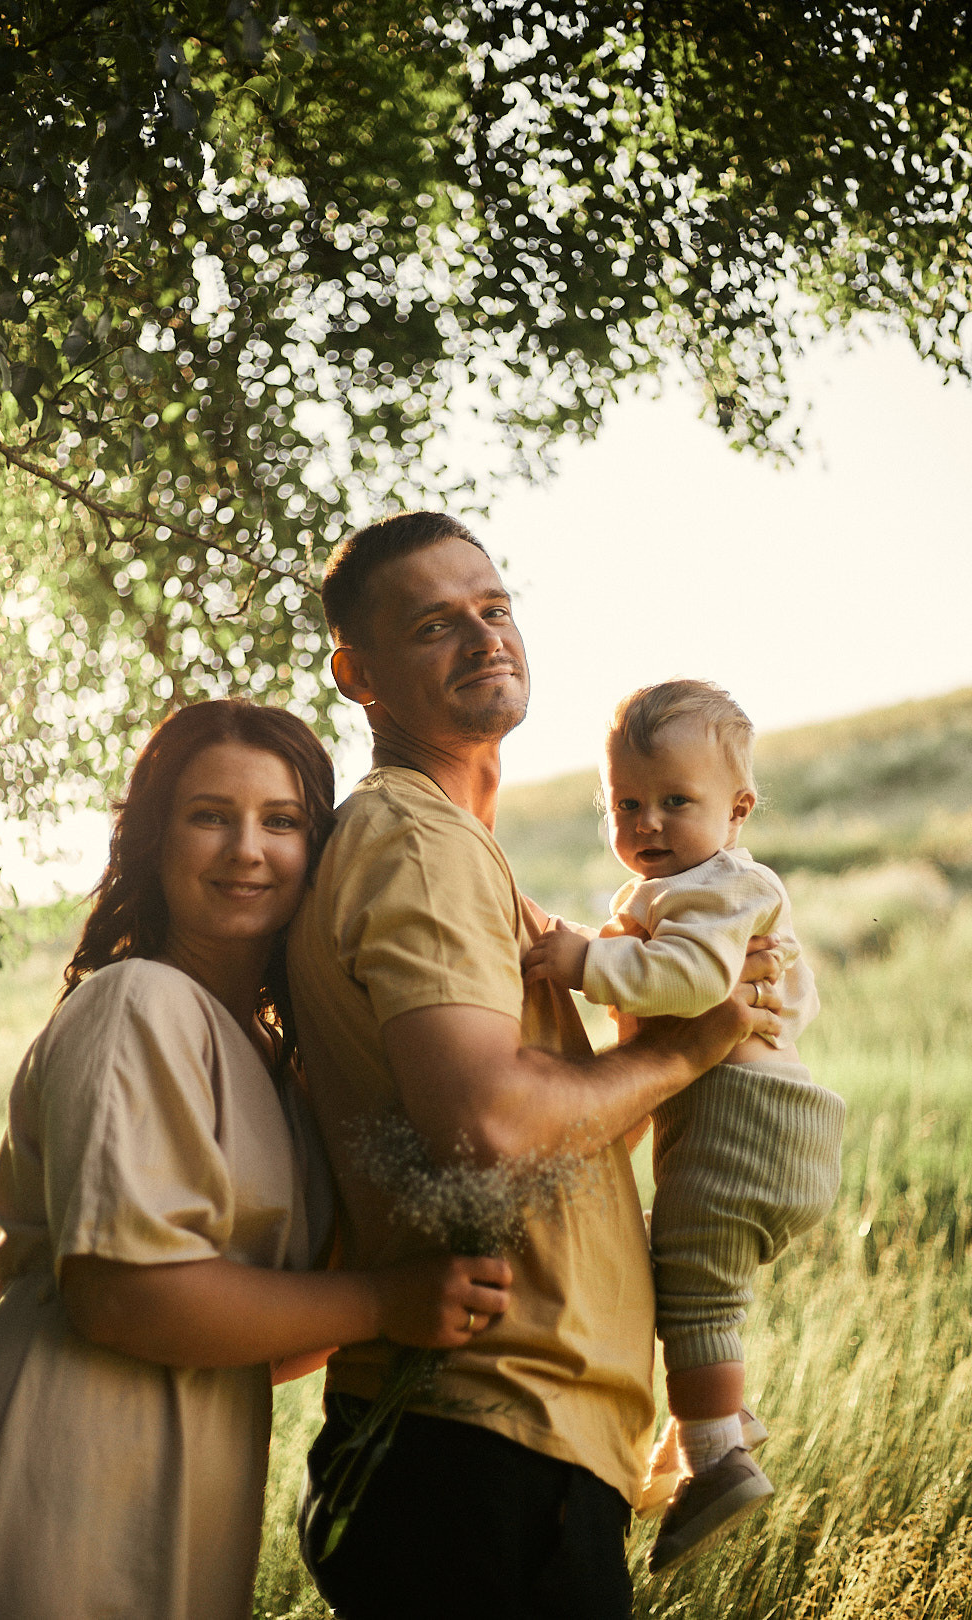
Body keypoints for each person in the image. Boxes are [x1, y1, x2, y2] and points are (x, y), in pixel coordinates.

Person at [0, 699, 511, 1620]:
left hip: (188, 1475)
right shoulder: (135, 1003)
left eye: (283, 821)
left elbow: (261, 1331)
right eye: (210, 815)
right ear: (154, 840)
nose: (247, 849)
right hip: (54, 1466)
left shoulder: (275, 1065)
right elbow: (127, 1294)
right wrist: (386, 1301)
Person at [286, 514, 784, 1620]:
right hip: (479, 1451)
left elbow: (538, 1114)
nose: (483, 637)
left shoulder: (462, 851)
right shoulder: (418, 843)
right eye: (435, 624)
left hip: (512, 1449)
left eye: (494, 608)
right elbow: (489, 1124)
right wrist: (697, 1040)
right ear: (356, 675)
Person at [523, 679, 845, 1575]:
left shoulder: (718, 887)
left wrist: (586, 960)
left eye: (676, 802)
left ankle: (716, 1456)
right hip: (774, 1132)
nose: (649, 823)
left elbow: (697, 982)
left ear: (736, 811)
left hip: (747, 1125)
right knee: (686, 1274)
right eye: (627, 803)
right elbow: (783, 991)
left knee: (692, 1286)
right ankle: (722, 1416)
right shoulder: (710, 891)